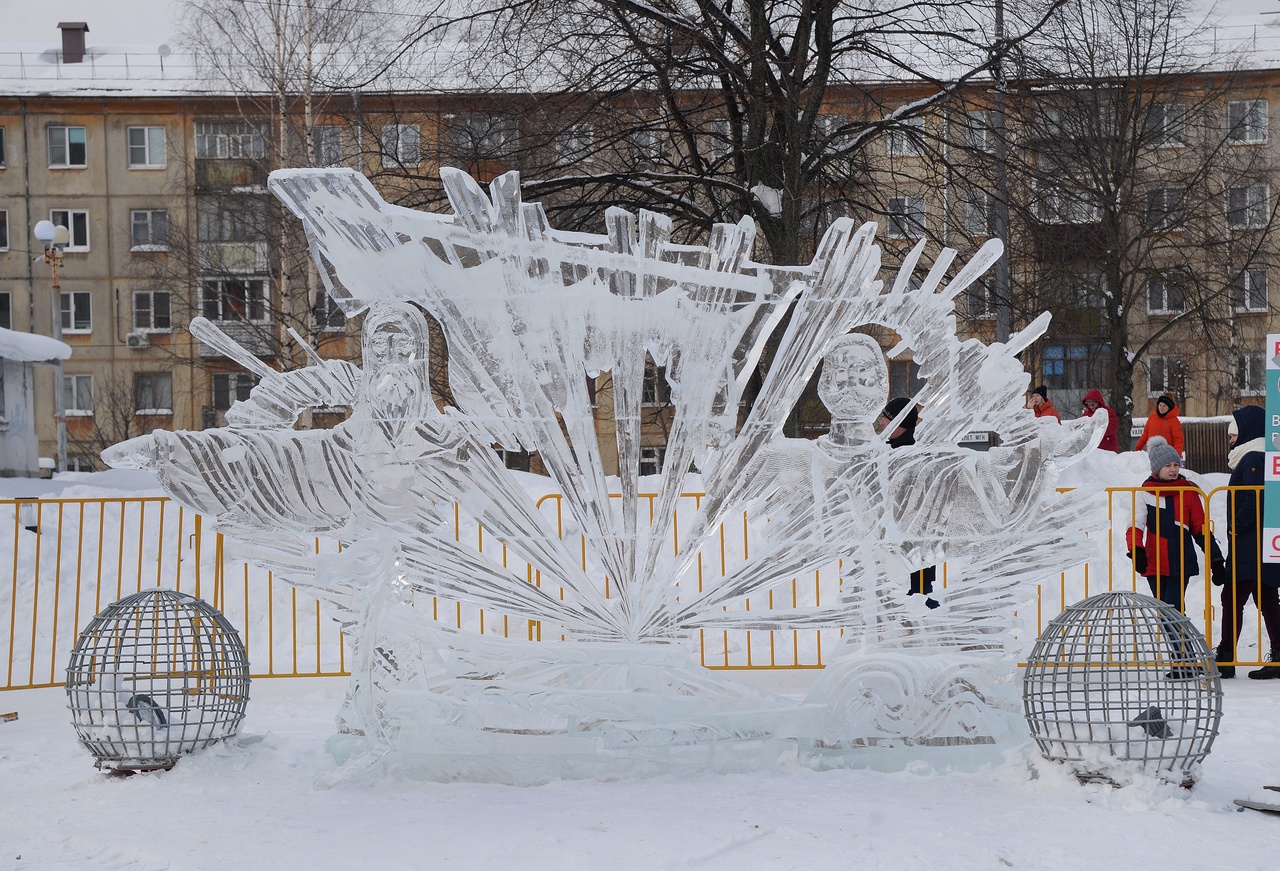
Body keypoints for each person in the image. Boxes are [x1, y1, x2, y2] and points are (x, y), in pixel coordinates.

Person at [1211, 406, 1280, 679]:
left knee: (1233, 598)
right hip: (1255, 544)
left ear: (1247, 432)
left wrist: (1236, 526)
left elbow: (1256, 497)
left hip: (1251, 546)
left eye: (1233, 434)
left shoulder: (1254, 456)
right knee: (1266, 599)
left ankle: (1226, 659)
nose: (1230, 440)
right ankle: (1275, 656)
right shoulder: (1258, 455)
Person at [1125, 443, 1220, 613]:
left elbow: (1201, 529)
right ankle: (1185, 640)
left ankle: (1185, 641)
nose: (1173, 469)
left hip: (1181, 563)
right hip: (1154, 563)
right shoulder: (1144, 493)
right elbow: (1135, 524)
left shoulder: (1188, 492)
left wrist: (1216, 559)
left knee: (1171, 613)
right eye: (1167, 465)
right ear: (1156, 468)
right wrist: (1136, 549)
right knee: (1166, 613)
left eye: (1176, 464)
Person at [879, 396, 938, 609]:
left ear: (899, 423)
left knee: (916, 606)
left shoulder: (909, 456)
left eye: (886, 418)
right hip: (902, 548)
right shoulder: (893, 451)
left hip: (912, 550)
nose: (881, 423)